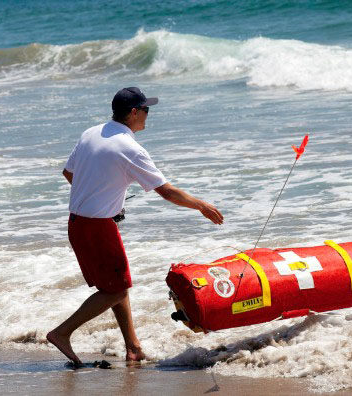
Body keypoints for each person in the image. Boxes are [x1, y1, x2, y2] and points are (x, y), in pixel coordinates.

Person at [47, 87, 223, 366]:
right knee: (116, 290)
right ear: (133, 113)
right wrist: (201, 205)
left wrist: (100, 198)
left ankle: (133, 347)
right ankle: (62, 332)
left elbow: (69, 173)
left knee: (117, 286)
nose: (147, 116)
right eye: (145, 110)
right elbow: (166, 192)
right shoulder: (131, 149)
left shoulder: (91, 133)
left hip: (78, 223)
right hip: (97, 228)